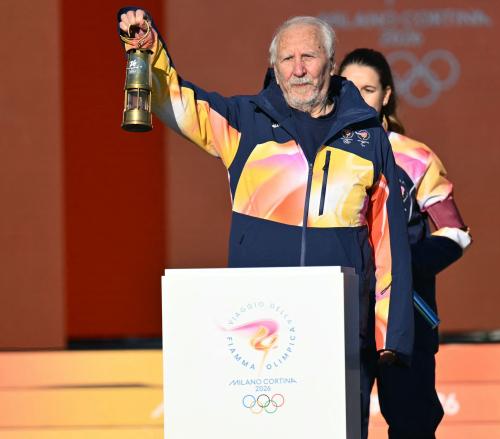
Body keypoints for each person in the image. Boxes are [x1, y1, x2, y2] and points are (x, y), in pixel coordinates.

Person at [117, 10, 414, 438]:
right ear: (273, 67)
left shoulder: (368, 137)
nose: (298, 69)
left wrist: (390, 335)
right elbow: (177, 104)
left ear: (331, 64)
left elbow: (388, 244)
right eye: (287, 59)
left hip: (340, 333)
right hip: (263, 338)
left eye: (309, 57)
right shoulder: (244, 123)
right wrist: (147, 51)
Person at [339, 48, 471, 439]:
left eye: (368, 89)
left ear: (387, 95)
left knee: (412, 425)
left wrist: (400, 266)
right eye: (349, 88)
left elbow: (455, 232)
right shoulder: (320, 156)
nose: (359, 97)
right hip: (343, 316)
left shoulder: (414, 157)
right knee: (336, 423)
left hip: (406, 317)